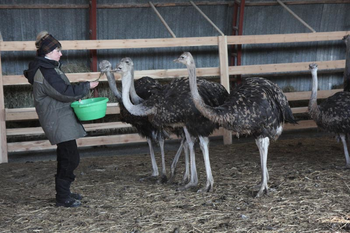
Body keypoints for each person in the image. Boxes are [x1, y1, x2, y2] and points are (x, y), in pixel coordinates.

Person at [23, 31, 99, 207]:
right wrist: (86, 86)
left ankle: (65, 193)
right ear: (48, 52)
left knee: (68, 157)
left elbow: (62, 91)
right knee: (69, 159)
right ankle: (62, 197)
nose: (61, 53)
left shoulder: (49, 68)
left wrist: (76, 94)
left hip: (61, 117)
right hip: (57, 120)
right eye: (58, 50)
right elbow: (63, 92)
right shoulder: (45, 71)